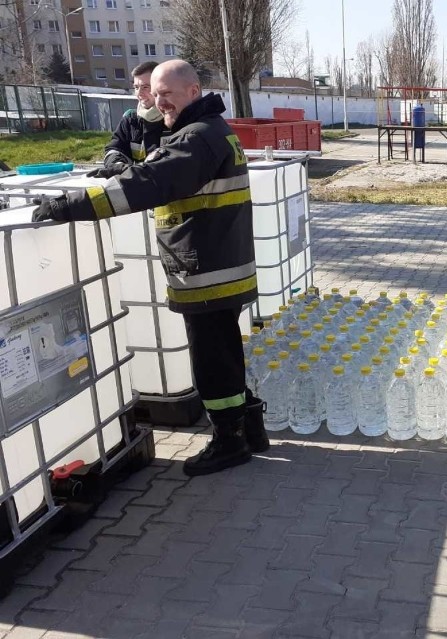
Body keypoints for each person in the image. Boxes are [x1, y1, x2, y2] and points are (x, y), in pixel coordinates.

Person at [32, 59, 269, 477]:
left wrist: (69, 206)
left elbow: (146, 185)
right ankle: (249, 428)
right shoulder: (207, 131)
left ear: (193, 91)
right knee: (225, 354)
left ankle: (229, 442)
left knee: (212, 362)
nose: (158, 103)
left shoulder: (197, 138)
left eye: (167, 94)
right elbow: (146, 165)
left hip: (206, 272)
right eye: (154, 95)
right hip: (217, 267)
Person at [89, 61, 165, 179]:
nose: (139, 93)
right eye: (136, 87)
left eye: (146, 87)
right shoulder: (131, 120)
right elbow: (115, 149)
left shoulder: (175, 119)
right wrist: (118, 166)